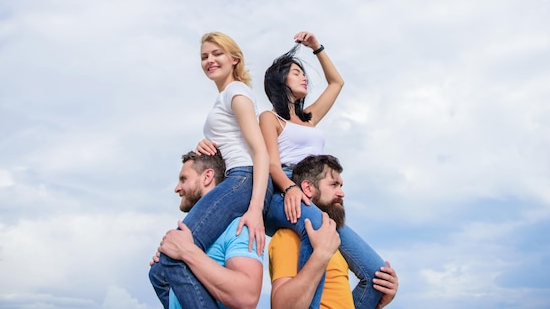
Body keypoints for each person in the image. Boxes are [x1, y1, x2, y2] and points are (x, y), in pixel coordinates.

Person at [260, 31, 386, 308]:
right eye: (296, 73)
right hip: (284, 193)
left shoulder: (309, 118)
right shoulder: (270, 118)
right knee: (318, 229)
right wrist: (291, 188)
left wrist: (317, 48)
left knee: (377, 275)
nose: (304, 77)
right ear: (281, 81)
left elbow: (337, 82)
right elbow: (270, 163)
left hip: (312, 193)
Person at [149, 32, 270, 308]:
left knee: (171, 257)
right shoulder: (225, 98)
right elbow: (232, 144)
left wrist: (255, 209)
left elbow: (259, 151)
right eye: (204, 56)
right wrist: (207, 145)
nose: (209, 60)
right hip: (234, 177)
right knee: (159, 272)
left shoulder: (236, 93)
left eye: (217, 54)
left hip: (243, 179)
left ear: (234, 59)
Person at [269, 155, 399, 309]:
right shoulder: (288, 237)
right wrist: (320, 256)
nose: (341, 193)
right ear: (308, 188)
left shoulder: (336, 243)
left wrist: (378, 299)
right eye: (334, 185)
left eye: (341, 186)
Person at [150, 150, 263, 309]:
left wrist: (187, 252)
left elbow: (247, 297)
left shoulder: (238, 227)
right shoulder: (190, 233)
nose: (177, 188)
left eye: (184, 179)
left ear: (207, 177)